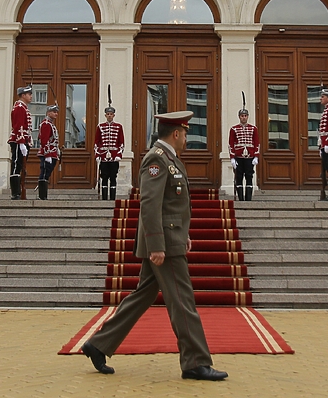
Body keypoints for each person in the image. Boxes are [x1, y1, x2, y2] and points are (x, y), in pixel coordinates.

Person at [80, 111, 228, 382]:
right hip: (164, 245)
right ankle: (195, 361)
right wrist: (158, 245)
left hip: (171, 238)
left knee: (144, 295)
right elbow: (149, 204)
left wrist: (183, 234)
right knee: (182, 301)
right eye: (184, 133)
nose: (186, 138)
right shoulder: (157, 159)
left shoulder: (169, 158)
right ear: (175, 133)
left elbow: (173, 205)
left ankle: (98, 344)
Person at [228, 107, 259, 201]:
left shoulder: (253, 128)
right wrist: (232, 158)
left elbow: (257, 143)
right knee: (239, 177)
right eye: (242, 116)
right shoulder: (234, 129)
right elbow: (231, 144)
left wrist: (256, 156)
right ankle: (241, 198)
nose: (244, 118)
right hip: (238, 156)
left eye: (245, 116)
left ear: (247, 117)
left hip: (250, 157)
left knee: (249, 176)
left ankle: (248, 198)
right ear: (239, 117)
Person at [94, 104, 124, 201]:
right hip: (103, 156)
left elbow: (121, 142)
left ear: (114, 115)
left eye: (111, 114)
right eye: (108, 114)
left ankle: (112, 198)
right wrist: (97, 155)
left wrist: (119, 154)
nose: (109, 116)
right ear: (105, 115)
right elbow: (96, 142)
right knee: (104, 177)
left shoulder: (119, 127)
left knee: (113, 177)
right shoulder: (100, 126)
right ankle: (104, 198)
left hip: (114, 156)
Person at [9, 85, 34, 200]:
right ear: (23, 95)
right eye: (29, 94)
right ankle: (15, 192)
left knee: (20, 165)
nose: (31, 96)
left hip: (24, 140)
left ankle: (18, 190)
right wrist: (21, 141)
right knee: (16, 165)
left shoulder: (23, 107)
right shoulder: (19, 107)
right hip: (20, 140)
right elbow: (18, 125)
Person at [36, 104, 60, 201]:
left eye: (56, 112)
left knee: (47, 174)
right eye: (54, 112)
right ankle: (42, 195)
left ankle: (43, 194)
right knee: (44, 172)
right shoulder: (46, 124)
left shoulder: (50, 124)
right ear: (48, 113)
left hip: (53, 152)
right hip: (48, 153)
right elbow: (44, 140)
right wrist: (47, 154)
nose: (56, 114)